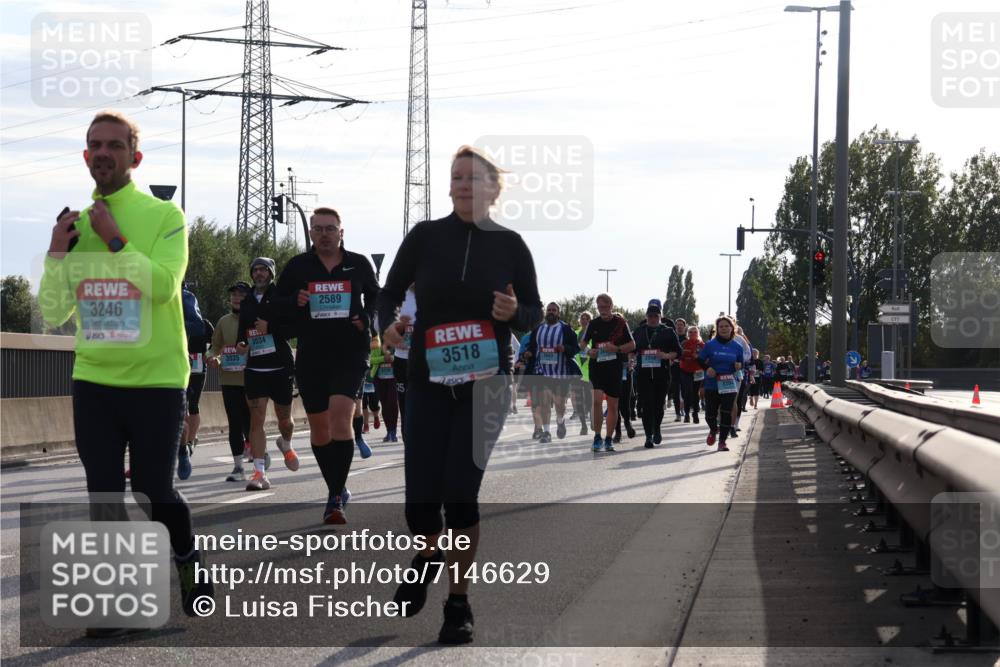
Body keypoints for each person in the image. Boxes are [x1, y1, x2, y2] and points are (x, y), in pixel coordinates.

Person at [38, 111, 213, 630]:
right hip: (95, 379)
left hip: (157, 380)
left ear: (134, 158)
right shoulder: (75, 226)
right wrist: (55, 252)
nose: (102, 153)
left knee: (153, 492)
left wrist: (115, 239)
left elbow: (162, 287)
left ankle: (186, 558)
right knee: (105, 493)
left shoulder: (165, 217)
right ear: (85, 155)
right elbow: (53, 313)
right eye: (94, 145)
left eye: (114, 145)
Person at [377, 145, 542, 645]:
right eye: (456, 178)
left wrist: (513, 311)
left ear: (494, 189)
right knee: (419, 503)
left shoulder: (511, 245)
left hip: (485, 384)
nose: (463, 185)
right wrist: (388, 326)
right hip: (428, 380)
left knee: (460, 493)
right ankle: (428, 552)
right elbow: (388, 292)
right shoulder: (426, 237)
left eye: (473, 178)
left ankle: (458, 602)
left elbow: (533, 313)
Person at [274, 206, 379, 524]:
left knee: (340, 416)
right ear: (311, 233)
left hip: (350, 353)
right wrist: (295, 301)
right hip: (312, 354)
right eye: (318, 228)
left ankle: (334, 498)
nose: (324, 233)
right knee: (320, 429)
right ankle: (337, 485)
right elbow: (277, 304)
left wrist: (366, 318)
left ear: (341, 232)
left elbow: (377, 299)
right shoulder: (297, 266)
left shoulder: (358, 264)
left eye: (330, 228)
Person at [235, 257, 298, 490]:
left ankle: (286, 442)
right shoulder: (247, 300)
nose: (259, 274)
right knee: (256, 419)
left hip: (280, 366)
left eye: (264, 270)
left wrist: (270, 328)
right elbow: (243, 331)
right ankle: (259, 474)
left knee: (285, 420)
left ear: (271, 274)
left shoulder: (281, 296)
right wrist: (242, 343)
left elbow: (294, 328)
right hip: (255, 368)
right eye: (256, 270)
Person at [207, 282, 253, 481]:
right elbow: (214, 347)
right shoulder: (223, 322)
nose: (236, 298)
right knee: (234, 423)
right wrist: (212, 357)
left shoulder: (255, 320)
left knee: (251, 424)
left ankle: (259, 454)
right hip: (229, 381)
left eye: (241, 294)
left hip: (252, 379)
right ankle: (238, 467)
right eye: (234, 294)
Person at [581, 294, 636, 452]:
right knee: (597, 401)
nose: (602, 310)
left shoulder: (620, 323)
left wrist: (617, 349)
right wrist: (588, 350)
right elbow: (582, 343)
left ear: (611, 306)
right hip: (597, 367)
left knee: (613, 405)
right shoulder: (593, 323)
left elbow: (632, 344)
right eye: (599, 307)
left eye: (605, 307)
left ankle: (609, 438)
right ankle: (597, 436)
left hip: (614, 367)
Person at [523, 302, 581, 442]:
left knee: (560, 404)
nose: (551, 312)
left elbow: (575, 348)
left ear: (558, 313)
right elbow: (531, 346)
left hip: (560, 373)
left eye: (554, 310)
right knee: (544, 402)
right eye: (549, 310)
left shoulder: (566, 329)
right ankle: (547, 432)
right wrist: (528, 353)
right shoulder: (538, 329)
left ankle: (560, 421)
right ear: (545, 312)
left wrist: (565, 348)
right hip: (541, 371)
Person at [630, 299, 680, 447]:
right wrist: (631, 359)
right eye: (650, 316)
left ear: (660, 317)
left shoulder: (668, 331)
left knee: (658, 405)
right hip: (643, 374)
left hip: (662, 374)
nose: (652, 319)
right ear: (646, 316)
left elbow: (678, 352)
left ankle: (656, 428)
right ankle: (648, 436)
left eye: (655, 316)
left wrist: (665, 356)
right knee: (646, 404)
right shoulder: (639, 331)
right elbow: (631, 351)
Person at [179, 285, 214, 480]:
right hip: (165, 360)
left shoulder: (187, 300)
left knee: (191, 404)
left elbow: (214, 344)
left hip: (196, 365)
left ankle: (189, 444)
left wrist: (210, 355)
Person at [698, 316, 744, 452]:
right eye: (721, 326)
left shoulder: (737, 347)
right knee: (709, 415)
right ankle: (713, 429)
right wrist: (708, 369)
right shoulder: (710, 345)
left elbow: (742, 364)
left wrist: (738, 365)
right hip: (712, 383)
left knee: (726, 413)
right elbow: (700, 360)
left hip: (729, 383)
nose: (724, 328)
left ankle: (722, 442)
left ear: (732, 328)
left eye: (726, 326)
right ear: (717, 329)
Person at [392, 286, 417, 432]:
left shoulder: (434, 286)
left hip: (428, 359)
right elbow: (379, 321)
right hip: (402, 360)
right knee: (405, 405)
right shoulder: (397, 291)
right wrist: (392, 330)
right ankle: (410, 445)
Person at [374, 337, 400, 442]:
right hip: (380, 380)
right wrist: (382, 359)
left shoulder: (397, 342)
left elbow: (402, 357)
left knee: (392, 403)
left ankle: (393, 431)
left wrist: (392, 358)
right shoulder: (376, 343)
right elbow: (371, 359)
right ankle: (388, 431)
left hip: (394, 379)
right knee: (384, 405)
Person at [678, 324, 705, 423]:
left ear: (698, 333)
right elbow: (678, 354)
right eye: (690, 332)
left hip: (698, 371)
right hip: (685, 370)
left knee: (695, 393)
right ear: (687, 333)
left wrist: (697, 357)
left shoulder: (702, 344)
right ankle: (686, 414)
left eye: (695, 332)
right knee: (687, 392)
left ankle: (695, 413)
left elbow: (706, 358)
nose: (693, 333)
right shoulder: (684, 343)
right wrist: (684, 357)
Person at [667, 316, 686, 421]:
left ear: (684, 326)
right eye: (677, 325)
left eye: (681, 325)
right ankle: (678, 413)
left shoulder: (687, 339)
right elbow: (668, 351)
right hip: (674, 367)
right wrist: (670, 358)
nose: (679, 327)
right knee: (675, 390)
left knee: (686, 391)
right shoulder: (672, 338)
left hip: (686, 369)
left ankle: (686, 410)